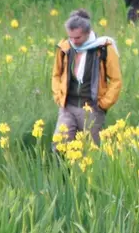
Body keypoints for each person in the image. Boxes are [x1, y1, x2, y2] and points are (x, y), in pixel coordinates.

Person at [51, 9, 122, 145]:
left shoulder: (103, 48)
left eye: (77, 38)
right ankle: (63, 167)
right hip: (67, 107)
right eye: (70, 37)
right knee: (60, 145)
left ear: (88, 33)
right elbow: (56, 74)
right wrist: (58, 97)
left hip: (92, 109)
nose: (73, 41)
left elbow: (116, 80)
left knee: (89, 152)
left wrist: (104, 104)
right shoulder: (65, 48)